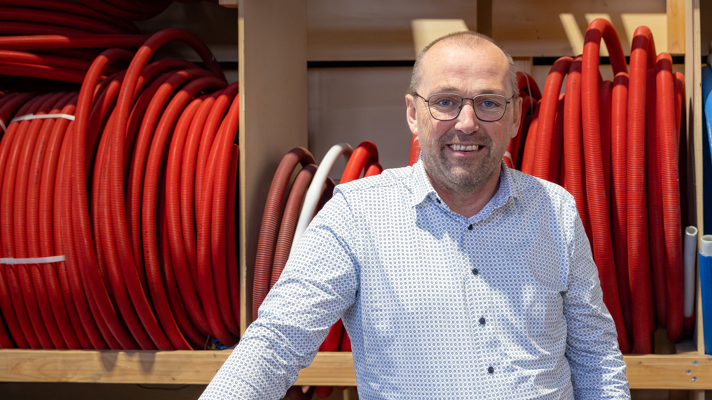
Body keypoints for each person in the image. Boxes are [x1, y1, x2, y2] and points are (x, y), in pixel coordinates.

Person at [200, 31, 629, 399]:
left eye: (489, 103)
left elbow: (596, 358)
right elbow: (276, 342)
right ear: (412, 113)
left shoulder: (555, 211)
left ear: (515, 115)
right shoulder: (357, 216)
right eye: (445, 102)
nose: (466, 123)